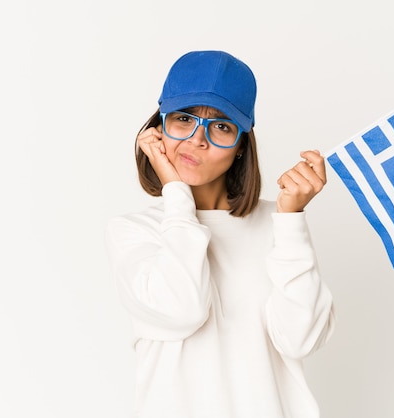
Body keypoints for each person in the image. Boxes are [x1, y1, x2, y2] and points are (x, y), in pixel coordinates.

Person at [105, 50, 336, 418]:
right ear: (158, 128)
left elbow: (301, 339)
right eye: (183, 119)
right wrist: (176, 194)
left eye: (222, 126)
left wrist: (291, 220)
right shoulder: (134, 231)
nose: (198, 140)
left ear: (242, 145)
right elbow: (182, 310)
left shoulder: (278, 222)